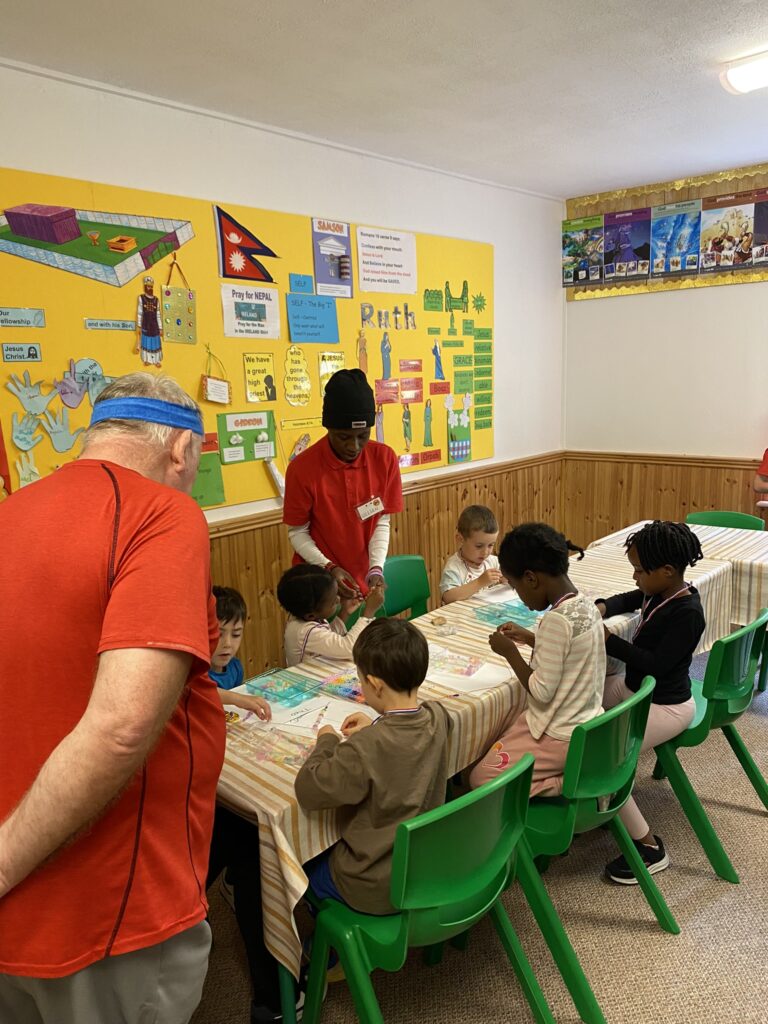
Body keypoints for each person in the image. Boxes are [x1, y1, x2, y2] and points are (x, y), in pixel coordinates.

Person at [0, 372, 221, 1024]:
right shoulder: (164, 514)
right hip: (110, 909)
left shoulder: (11, 513)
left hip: (22, 915)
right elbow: (123, 726)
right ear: (180, 448)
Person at [294, 618, 453, 914]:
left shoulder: (364, 747)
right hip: (422, 867)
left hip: (372, 884)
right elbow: (407, 738)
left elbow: (308, 789)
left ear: (375, 685)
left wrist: (327, 741)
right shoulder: (438, 715)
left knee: (301, 863)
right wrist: (377, 725)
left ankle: (323, 937)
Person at [596, 520, 704, 883]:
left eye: (640, 570)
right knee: (582, 700)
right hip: (635, 690)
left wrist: (609, 640)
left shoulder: (688, 613)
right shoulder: (660, 590)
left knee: (604, 763)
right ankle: (594, 803)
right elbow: (632, 598)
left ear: (667, 571)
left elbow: (656, 664)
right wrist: (603, 606)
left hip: (666, 707)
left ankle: (649, 847)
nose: (635, 576)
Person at [470, 523, 605, 796]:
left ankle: (571, 783)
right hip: (588, 724)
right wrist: (533, 639)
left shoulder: (556, 621)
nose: (520, 597)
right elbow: (573, 654)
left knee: (480, 780)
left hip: (560, 734)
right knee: (504, 732)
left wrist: (509, 652)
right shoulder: (585, 605)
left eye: (516, 587)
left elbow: (542, 692)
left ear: (531, 579)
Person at [283, 369, 402, 598]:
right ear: (328, 428)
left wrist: (376, 567)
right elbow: (298, 532)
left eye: (363, 436)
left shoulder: (385, 459)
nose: (354, 446)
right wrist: (329, 567)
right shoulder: (302, 469)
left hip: (362, 581)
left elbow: (380, 520)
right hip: (317, 585)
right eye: (344, 437)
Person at [277, 564, 385, 666]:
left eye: (337, 594)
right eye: (333, 602)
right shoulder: (304, 631)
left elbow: (328, 638)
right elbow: (348, 649)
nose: (338, 599)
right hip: (307, 679)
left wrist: (344, 612)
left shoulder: (307, 616)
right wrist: (369, 612)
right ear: (310, 616)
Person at [210, 585, 271, 720]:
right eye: (219, 634)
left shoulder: (235, 667)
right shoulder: (194, 672)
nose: (228, 643)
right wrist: (237, 698)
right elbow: (203, 691)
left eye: (236, 634)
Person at [440, 504, 503, 604]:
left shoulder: (492, 561)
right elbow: (448, 597)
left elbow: (509, 574)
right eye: (479, 546)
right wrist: (479, 582)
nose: (485, 552)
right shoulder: (454, 567)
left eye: (490, 545)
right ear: (460, 539)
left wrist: (508, 577)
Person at [135, 275, 163, 366]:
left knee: (155, 342)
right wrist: (139, 326)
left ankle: (156, 361)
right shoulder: (141, 298)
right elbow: (140, 313)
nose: (150, 288)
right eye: (148, 286)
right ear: (145, 287)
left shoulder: (156, 300)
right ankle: (147, 359)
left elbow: (158, 314)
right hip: (146, 324)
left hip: (154, 325)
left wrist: (160, 328)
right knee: (146, 342)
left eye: (151, 286)